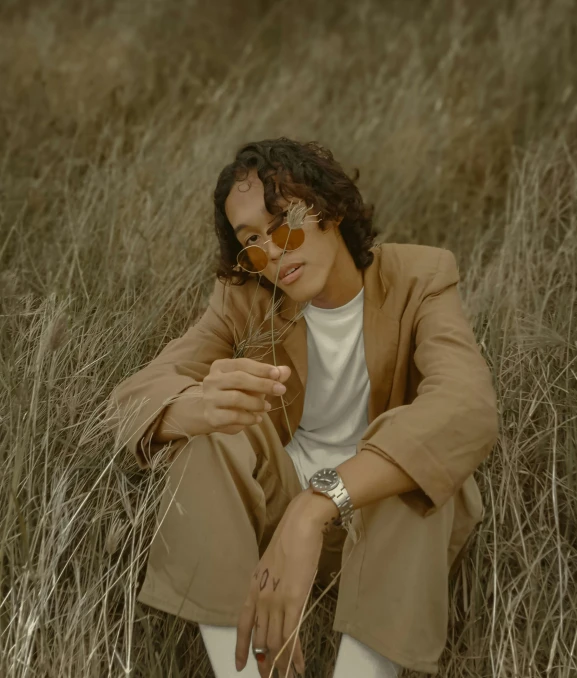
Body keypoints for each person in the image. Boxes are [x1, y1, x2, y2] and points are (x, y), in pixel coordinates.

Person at [108, 137, 499, 677]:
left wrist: (315, 507)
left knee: (420, 457)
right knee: (204, 437)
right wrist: (194, 408)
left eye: (283, 223)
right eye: (252, 242)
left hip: (381, 518)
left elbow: (467, 405)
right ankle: (246, 671)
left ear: (329, 209)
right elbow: (132, 397)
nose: (273, 252)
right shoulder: (245, 300)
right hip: (276, 506)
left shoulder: (421, 277)